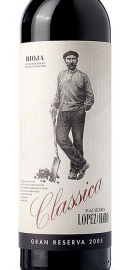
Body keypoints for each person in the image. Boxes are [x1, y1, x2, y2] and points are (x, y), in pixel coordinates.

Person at [50, 51, 94, 180]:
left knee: (77, 142)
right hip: (63, 112)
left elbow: (90, 95)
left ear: (77, 60)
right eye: (68, 59)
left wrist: (85, 106)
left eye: (73, 59)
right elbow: (58, 93)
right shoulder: (61, 75)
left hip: (77, 113)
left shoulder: (83, 76)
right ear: (65, 61)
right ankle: (82, 164)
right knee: (60, 138)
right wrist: (54, 105)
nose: (71, 61)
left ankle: (74, 171)